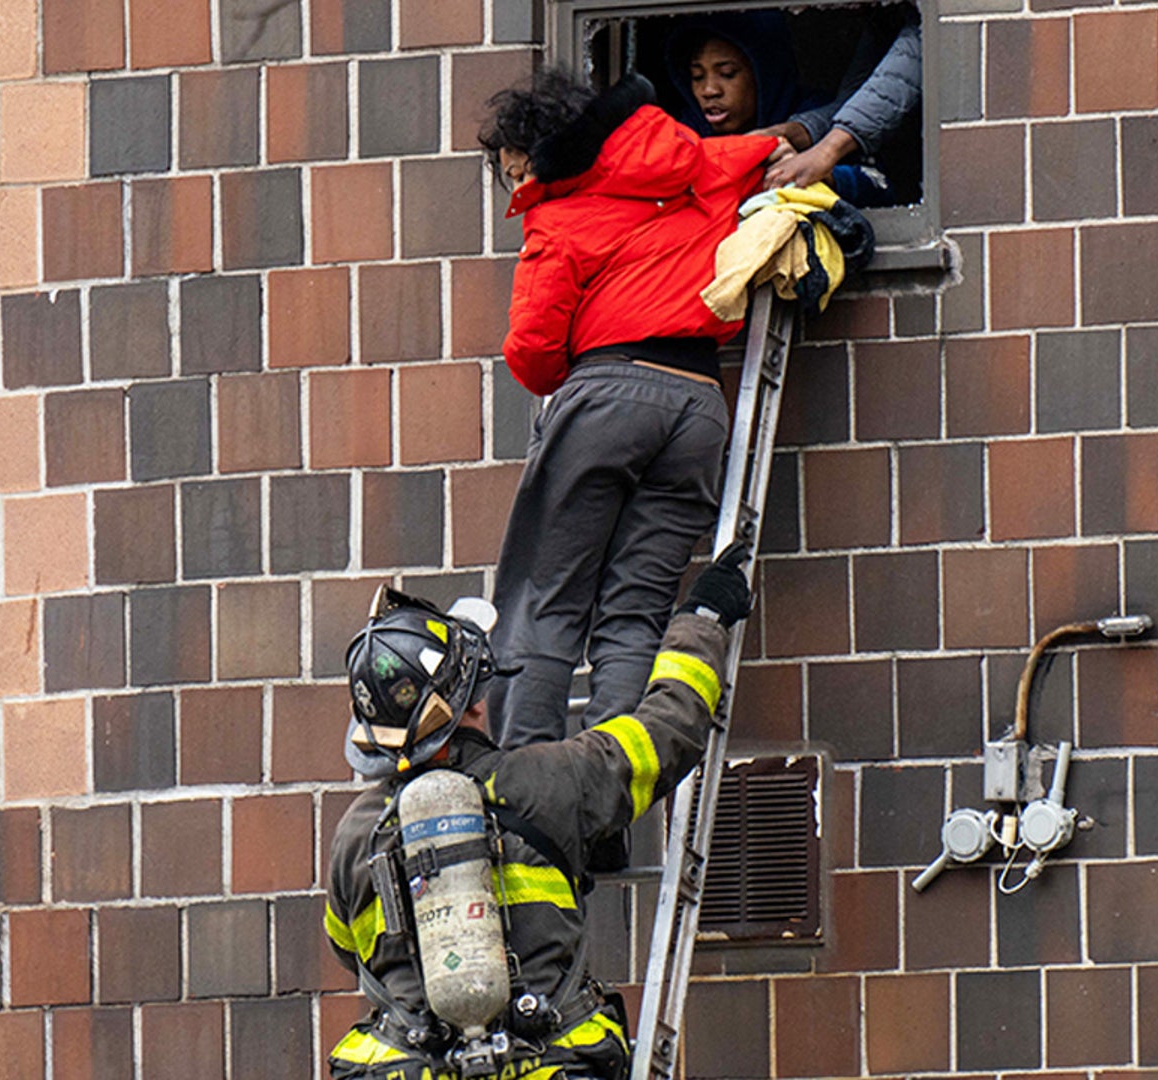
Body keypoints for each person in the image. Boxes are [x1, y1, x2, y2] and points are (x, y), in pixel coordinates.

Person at [323, 547, 754, 1080]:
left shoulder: (353, 838)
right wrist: (703, 621)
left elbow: (347, 950)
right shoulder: (551, 781)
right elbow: (667, 732)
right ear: (476, 702)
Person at [477, 70, 781, 755]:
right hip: (700, 406)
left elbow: (532, 349)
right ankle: (608, 790)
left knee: (543, 598)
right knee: (636, 612)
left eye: (512, 166)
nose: (516, 180)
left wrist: (577, 376)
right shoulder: (701, 162)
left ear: (538, 148)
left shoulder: (558, 213)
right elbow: (769, 151)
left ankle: (532, 784)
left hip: (608, 394)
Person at [667, 10, 923, 206]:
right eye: (697, 76)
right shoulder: (684, 137)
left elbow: (881, 186)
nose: (709, 90)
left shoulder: (813, 113)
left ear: (765, 74)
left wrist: (821, 175)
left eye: (727, 73)